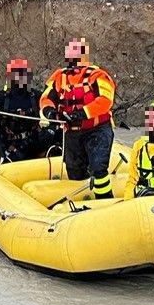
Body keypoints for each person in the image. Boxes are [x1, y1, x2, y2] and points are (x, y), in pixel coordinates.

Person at [40, 38, 116, 199]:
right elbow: (46, 98)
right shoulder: (59, 77)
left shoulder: (98, 76)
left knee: (98, 168)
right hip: (72, 133)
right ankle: (82, 206)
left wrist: (81, 113)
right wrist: (50, 113)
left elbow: (105, 101)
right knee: (74, 170)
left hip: (97, 130)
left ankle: (105, 200)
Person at [0, 59, 60, 164]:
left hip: (34, 142)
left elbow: (53, 115)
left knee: (57, 135)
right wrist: (0, 152)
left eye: (24, 74)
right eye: (17, 74)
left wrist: (50, 130)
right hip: (12, 146)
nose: (21, 78)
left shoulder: (37, 96)